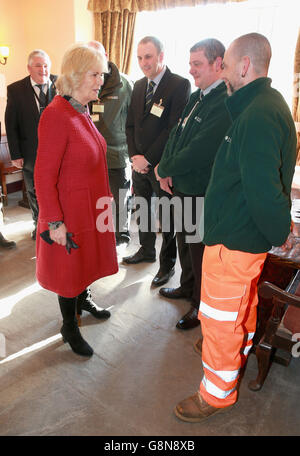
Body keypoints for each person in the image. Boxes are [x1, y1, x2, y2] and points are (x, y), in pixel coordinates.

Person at [174, 33, 297, 423]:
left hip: (234, 240)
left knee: (219, 318)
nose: (222, 72)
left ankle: (216, 393)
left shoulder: (258, 113)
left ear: (244, 66)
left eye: (225, 65)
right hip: (238, 236)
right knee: (240, 310)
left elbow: (265, 191)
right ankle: (234, 352)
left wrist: (283, 232)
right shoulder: (258, 105)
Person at [34, 44, 118, 357]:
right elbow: (43, 176)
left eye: (101, 74)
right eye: (95, 74)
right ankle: (69, 327)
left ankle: (84, 301)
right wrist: (54, 222)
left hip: (89, 210)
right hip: (68, 215)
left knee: (84, 266)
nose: (101, 80)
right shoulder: (56, 114)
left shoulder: (79, 110)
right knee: (68, 275)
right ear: (76, 75)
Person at [155, 38, 231, 330]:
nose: (191, 70)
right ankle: (187, 288)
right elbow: (176, 133)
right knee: (186, 246)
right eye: (190, 64)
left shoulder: (223, 100)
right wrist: (164, 168)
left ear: (218, 64)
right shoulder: (199, 95)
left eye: (197, 64)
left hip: (200, 190)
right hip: (181, 186)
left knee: (200, 254)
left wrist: (166, 167)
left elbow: (201, 148)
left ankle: (200, 306)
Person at [124, 36, 191, 288]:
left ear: (161, 56)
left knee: (168, 218)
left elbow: (172, 129)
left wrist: (148, 159)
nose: (143, 63)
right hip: (139, 165)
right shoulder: (138, 85)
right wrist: (135, 157)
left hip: (162, 166)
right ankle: (146, 250)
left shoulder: (179, 84)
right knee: (143, 209)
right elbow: (130, 125)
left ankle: (167, 266)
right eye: (140, 58)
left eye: (148, 57)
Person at [5, 50, 57, 240]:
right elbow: (11, 125)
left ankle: (56, 225)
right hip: (30, 153)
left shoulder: (61, 84)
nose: (43, 70)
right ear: (29, 68)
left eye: (46, 65)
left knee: (56, 190)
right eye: (38, 65)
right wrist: (15, 154)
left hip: (58, 152)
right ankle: (39, 226)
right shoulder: (16, 89)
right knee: (34, 192)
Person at [88, 41, 133, 246]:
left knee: (120, 196)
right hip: (91, 154)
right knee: (97, 197)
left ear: (105, 55)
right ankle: (101, 232)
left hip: (117, 152)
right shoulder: (83, 82)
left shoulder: (125, 84)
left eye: (97, 55)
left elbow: (134, 120)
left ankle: (121, 234)